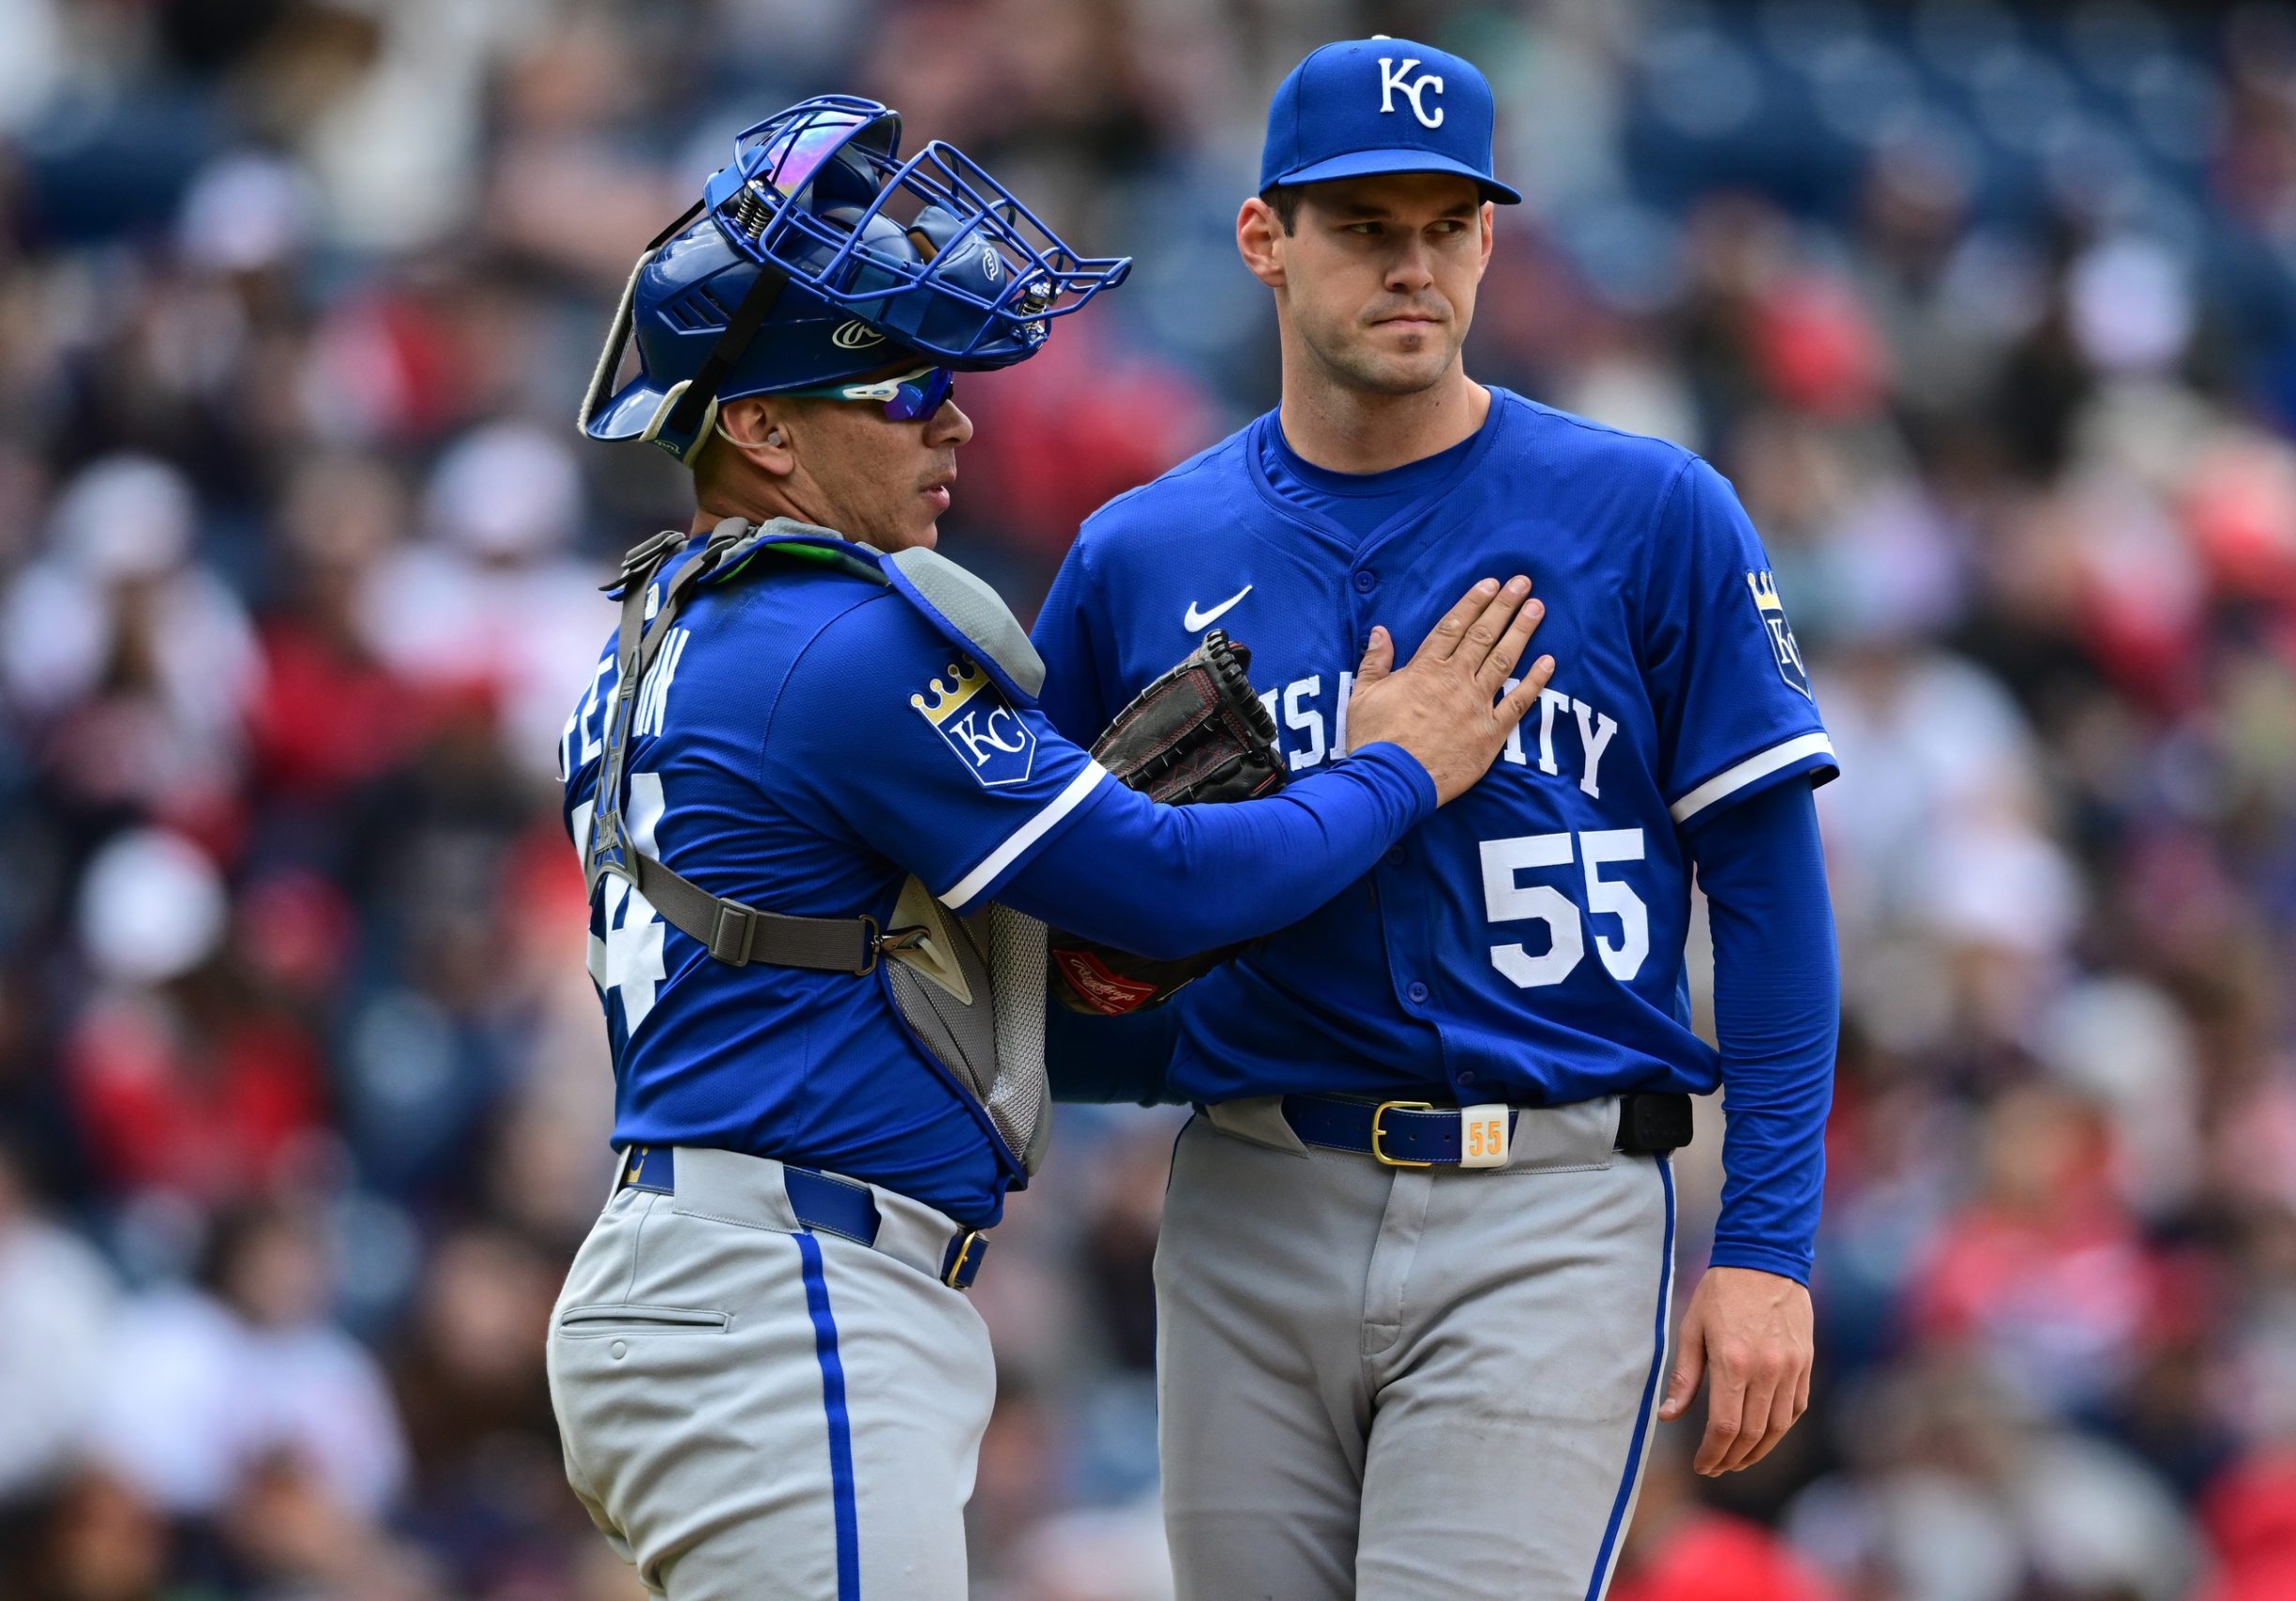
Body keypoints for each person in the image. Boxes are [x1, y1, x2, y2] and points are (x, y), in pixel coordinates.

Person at [544, 95, 1550, 1601]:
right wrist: (1400, 767)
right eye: (903, 385)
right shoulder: (830, 641)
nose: (954, 420)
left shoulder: (664, 638)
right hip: (781, 1297)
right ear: (759, 427)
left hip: (715, 1275)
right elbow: (1170, 884)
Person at [1034, 38, 1842, 1600]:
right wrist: (1119, 1025)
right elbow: (1041, 922)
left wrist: (1765, 1246)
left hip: (1548, 1199)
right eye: (1363, 226)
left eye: (1447, 225)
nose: (1413, 265)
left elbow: (1770, 896)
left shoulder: (1648, 511)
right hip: (1252, 1193)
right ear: (1264, 238)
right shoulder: (1140, 553)